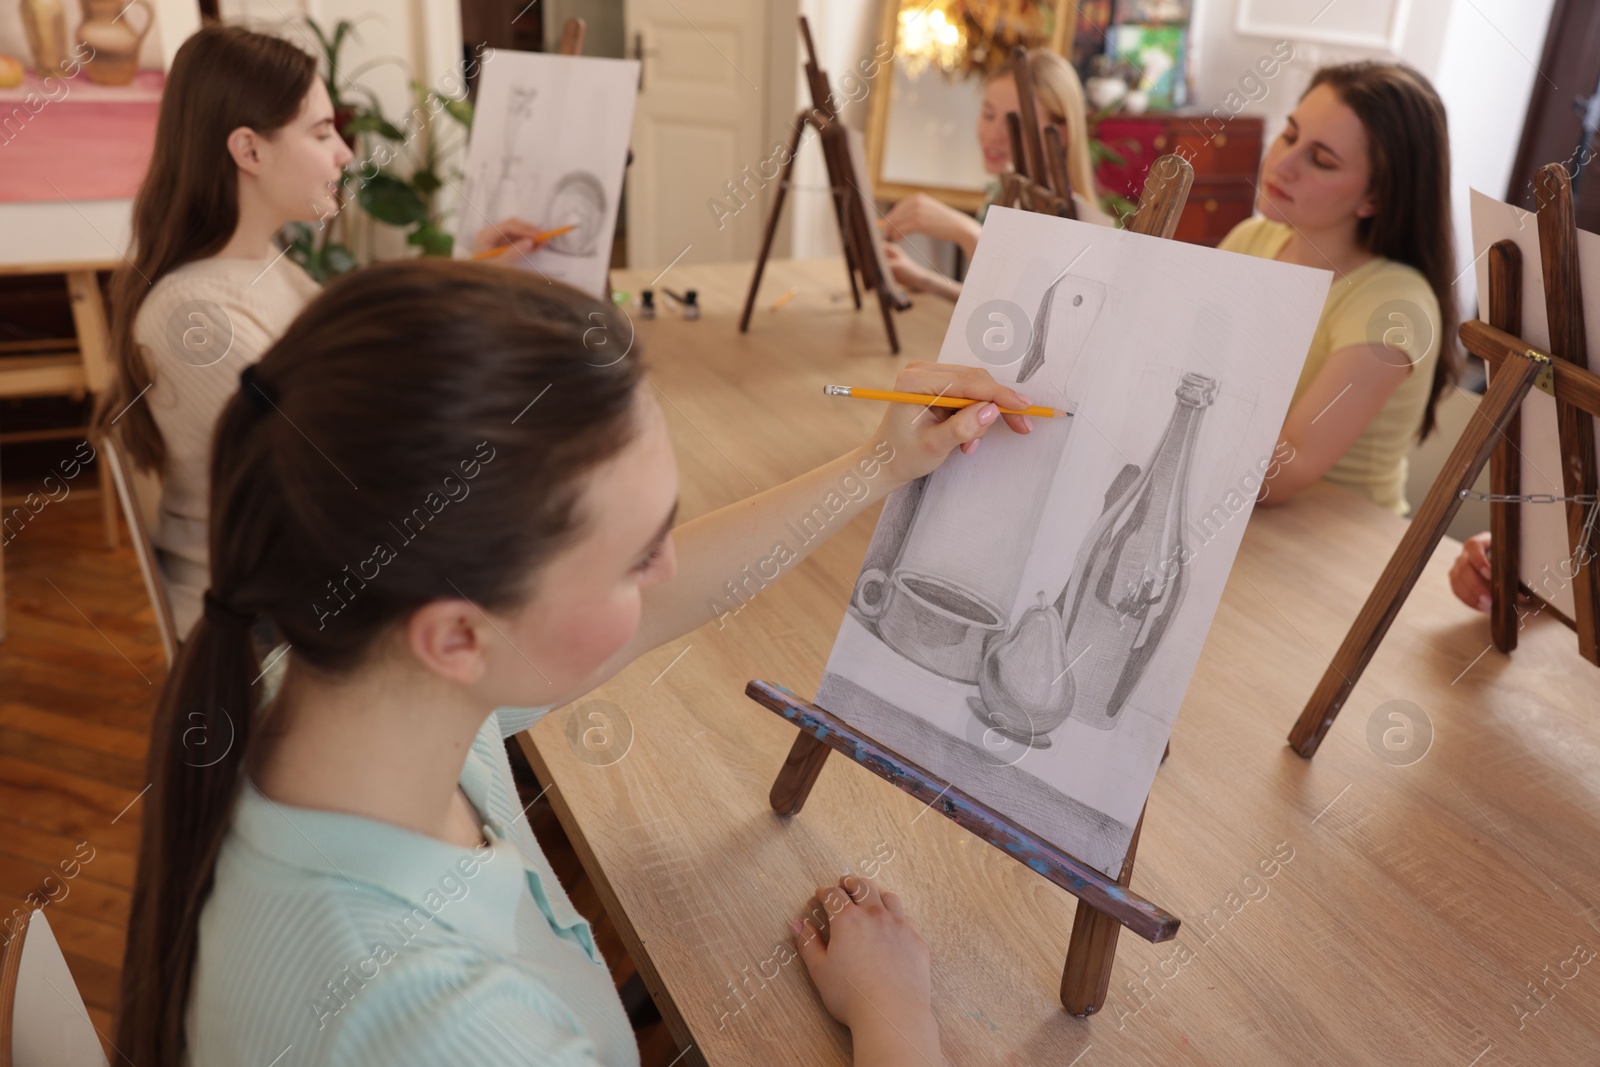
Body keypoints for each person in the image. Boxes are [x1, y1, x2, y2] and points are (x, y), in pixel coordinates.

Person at [115, 258, 1036, 1064]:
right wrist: (895, 1018)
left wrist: (876, 464)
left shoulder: (325, 691)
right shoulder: (448, 1028)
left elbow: (667, 600)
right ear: (460, 636)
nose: (667, 567)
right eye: (637, 554)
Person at [99, 26, 543, 639]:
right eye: (320, 131)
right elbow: (331, 466)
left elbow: (360, 343)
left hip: (310, 581)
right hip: (267, 625)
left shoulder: (262, 266)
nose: (345, 153)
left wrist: (473, 273)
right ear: (249, 152)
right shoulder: (193, 319)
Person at [1222, 62, 1459, 516]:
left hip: (1337, 547)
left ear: (1376, 198)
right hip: (1243, 519)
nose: (1283, 164)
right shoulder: (1250, 239)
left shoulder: (1396, 305)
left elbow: (1281, 471)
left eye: (1322, 160)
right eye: (1290, 136)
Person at [881, 48, 1114, 302]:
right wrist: (923, 279)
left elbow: (1028, 323)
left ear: (1061, 134)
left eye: (1017, 125)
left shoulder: (1074, 224)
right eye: (989, 115)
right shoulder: (1000, 194)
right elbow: (990, 304)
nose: (994, 135)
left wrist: (967, 233)